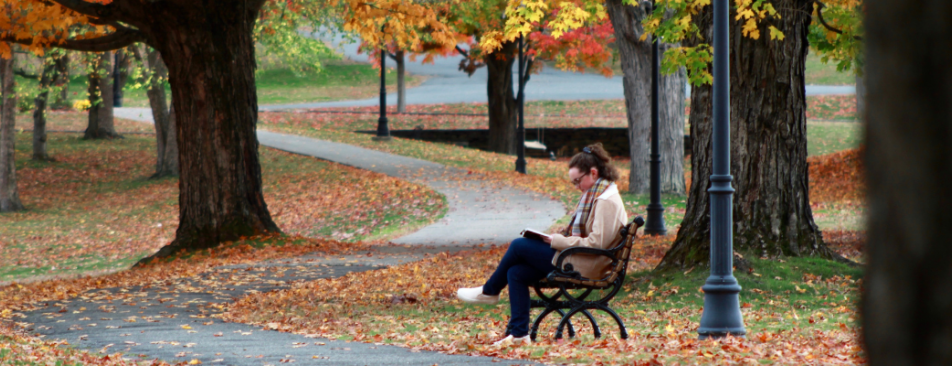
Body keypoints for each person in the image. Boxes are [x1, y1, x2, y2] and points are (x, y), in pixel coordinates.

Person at [456, 143, 628, 346]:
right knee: (516, 272)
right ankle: (519, 335)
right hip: (579, 258)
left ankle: (489, 291)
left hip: (586, 265)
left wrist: (556, 240)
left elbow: (596, 243)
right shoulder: (596, 194)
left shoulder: (605, 200)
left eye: (577, 181)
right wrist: (552, 239)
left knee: (519, 245)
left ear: (593, 172)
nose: (577, 187)